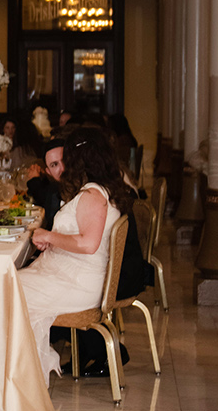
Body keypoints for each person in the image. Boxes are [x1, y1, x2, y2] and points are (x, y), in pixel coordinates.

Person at [17, 126, 136, 383]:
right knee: (9, 282)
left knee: (5, 288)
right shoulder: (101, 189)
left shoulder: (93, 194)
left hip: (78, 284)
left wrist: (48, 235)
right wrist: (56, 240)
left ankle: (14, 377)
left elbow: (88, 244)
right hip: (75, 275)